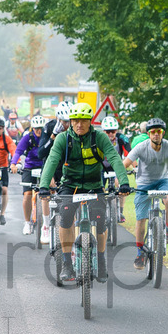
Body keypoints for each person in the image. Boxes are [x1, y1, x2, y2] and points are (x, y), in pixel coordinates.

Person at [37, 102, 131, 283]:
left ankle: (101, 260)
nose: (79, 124)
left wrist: (124, 183)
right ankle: (66, 263)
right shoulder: (63, 139)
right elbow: (51, 161)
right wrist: (43, 186)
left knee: (101, 220)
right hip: (69, 185)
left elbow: (115, 158)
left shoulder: (100, 138)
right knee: (65, 218)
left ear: (90, 122)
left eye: (83, 121)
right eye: (75, 121)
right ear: (71, 122)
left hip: (94, 184)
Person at [122, 117, 168, 268]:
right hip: (144, 183)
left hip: (163, 181)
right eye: (153, 132)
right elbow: (125, 164)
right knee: (141, 219)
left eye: (159, 132)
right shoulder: (141, 147)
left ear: (163, 133)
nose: (156, 134)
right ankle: (139, 253)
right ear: (148, 134)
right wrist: (122, 183)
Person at [11, 114, 52, 240]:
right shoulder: (27, 137)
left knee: (50, 192)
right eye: (35, 128)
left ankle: (49, 222)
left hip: (45, 166)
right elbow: (18, 151)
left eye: (40, 128)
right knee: (27, 194)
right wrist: (13, 163)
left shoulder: (48, 137)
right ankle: (27, 222)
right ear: (32, 129)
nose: (38, 131)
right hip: (30, 167)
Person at [100, 116, 133, 223]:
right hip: (101, 167)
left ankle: (120, 211)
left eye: (113, 131)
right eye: (108, 132)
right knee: (99, 188)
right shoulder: (98, 138)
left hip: (116, 166)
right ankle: (99, 210)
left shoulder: (121, 138)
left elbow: (130, 155)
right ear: (103, 131)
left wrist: (135, 167)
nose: (110, 134)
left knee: (122, 186)